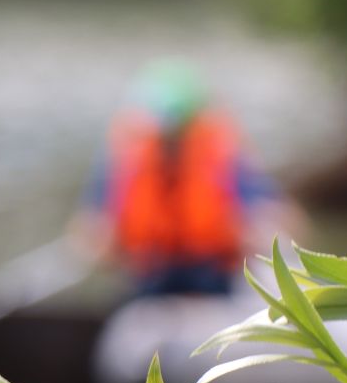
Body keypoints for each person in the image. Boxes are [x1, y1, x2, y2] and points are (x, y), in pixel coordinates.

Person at [72, 61, 302, 298]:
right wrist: (98, 243)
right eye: (163, 134)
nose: (170, 144)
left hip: (213, 279)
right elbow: (90, 229)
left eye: (179, 133)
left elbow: (284, 218)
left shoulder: (222, 157)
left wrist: (260, 229)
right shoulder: (129, 160)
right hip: (150, 281)